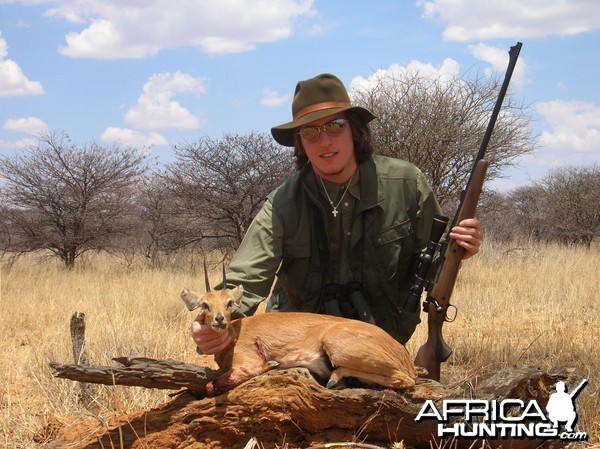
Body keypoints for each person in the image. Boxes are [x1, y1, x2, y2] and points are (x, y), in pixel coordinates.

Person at [192, 73, 482, 354]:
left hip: (379, 343)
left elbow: (435, 260)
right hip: (296, 348)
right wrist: (209, 324)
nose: (325, 141)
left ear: (355, 131)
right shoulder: (283, 203)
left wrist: (461, 248)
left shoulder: (407, 183)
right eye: (310, 132)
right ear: (300, 144)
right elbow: (246, 279)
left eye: (335, 126)